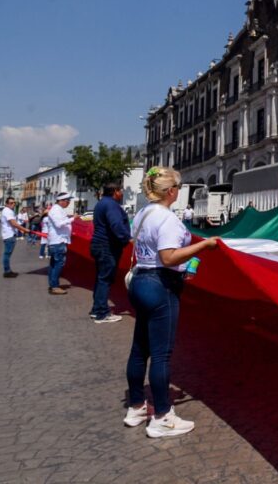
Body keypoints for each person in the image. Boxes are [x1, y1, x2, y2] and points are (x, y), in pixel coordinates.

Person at [124, 166, 218, 437]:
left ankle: (136, 406)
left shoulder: (143, 213)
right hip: (160, 284)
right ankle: (163, 416)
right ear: (172, 191)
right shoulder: (166, 219)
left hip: (141, 280)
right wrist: (203, 246)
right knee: (162, 354)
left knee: (140, 349)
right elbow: (168, 257)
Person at [89, 181, 131, 324]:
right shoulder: (112, 205)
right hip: (107, 246)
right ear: (115, 191)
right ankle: (102, 313)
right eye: (121, 191)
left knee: (101, 278)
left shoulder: (101, 203)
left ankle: (97, 309)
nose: (122, 193)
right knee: (105, 279)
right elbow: (116, 225)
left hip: (99, 244)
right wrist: (126, 238)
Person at [46, 192, 77, 295]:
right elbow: (59, 224)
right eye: (67, 201)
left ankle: (53, 284)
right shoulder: (55, 210)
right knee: (58, 263)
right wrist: (73, 219)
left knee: (54, 264)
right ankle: (54, 286)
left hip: (58, 240)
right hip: (58, 241)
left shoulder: (58, 210)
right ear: (61, 201)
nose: (68, 203)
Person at [0, 197, 30, 278]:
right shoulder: (7, 211)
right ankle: (7, 272)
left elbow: (13, 224)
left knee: (7, 254)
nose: (13, 204)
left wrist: (21, 230)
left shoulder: (8, 211)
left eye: (14, 203)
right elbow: (14, 223)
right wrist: (24, 229)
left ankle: (8, 271)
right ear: (6, 204)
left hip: (9, 234)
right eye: (11, 203)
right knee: (7, 254)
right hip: (9, 235)